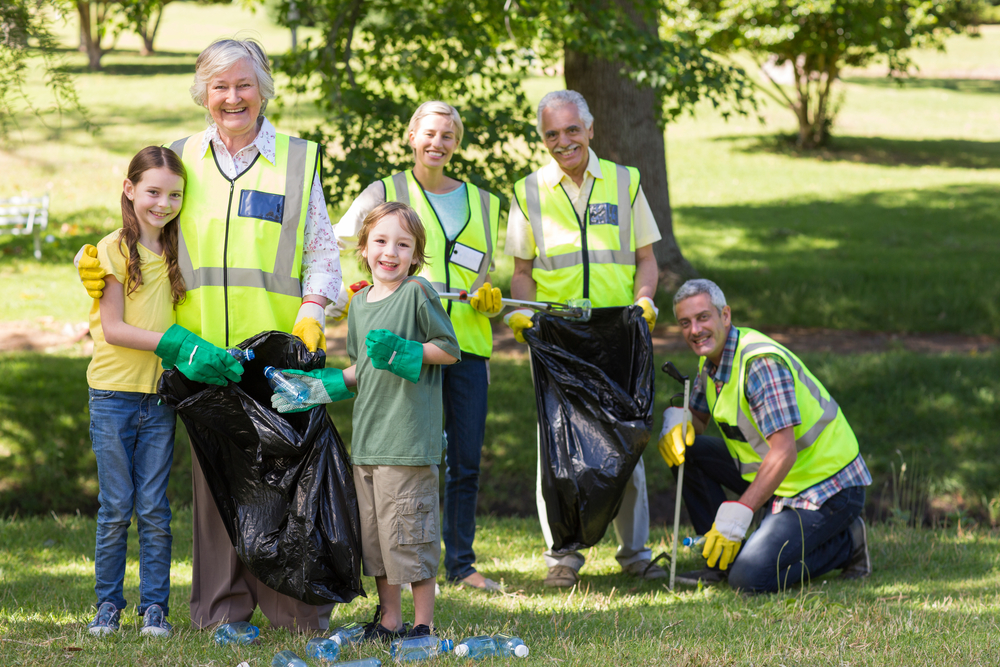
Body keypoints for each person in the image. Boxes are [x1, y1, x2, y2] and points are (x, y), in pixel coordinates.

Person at [76, 38, 341, 631]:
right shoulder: (179, 155)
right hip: (199, 357)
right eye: (219, 86)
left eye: (244, 85)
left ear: (264, 89)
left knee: (284, 482)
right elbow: (138, 229)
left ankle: (294, 611)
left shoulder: (298, 159)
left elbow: (324, 252)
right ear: (202, 92)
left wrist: (314, 311)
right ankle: (222, 611)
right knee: (215, 486)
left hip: (274, 354)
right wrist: (88, 260)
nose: (232, 97)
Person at [334, 101, 503, 591]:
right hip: (400, 351)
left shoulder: (486, 203)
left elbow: (497, 274)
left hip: (464, 344)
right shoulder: (384, 192)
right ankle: (398, 560)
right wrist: (355, 293)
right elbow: (343, 242)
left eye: (448, 135)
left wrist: (493, 302)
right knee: (409, 458)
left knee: (464, 459)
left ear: (457, 142)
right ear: (411, 136)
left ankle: (462, 563)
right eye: (429, 132)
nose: (438, 142)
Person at [271, 202, 460, 640]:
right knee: (376, 542)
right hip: (370, 444)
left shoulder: (418, 293)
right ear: (364, 247)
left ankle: (423, 624)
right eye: (380, 241)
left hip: (410, 442)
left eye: (402, 244)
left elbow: (449, 349)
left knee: (411, 537)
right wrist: (320, 387)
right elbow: (362, 369)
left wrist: (405, 352)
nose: (389, 252)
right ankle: (390, 619)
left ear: (416, 255)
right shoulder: (358, 303)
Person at [503, 90, 665, 587]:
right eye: (552, 134)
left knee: (627, 437)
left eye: (572, 130)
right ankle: (564, 556)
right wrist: (524, 317)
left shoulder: (625, 181)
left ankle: (635, 553)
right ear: (542, 138)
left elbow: (646, 259)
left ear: (591, 129)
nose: (563, 141)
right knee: (556, 443)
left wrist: (644, 302)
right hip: (557, 334)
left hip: (619, 331)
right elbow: (522, 271)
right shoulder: (527, 190)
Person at [86, 146, 244, 637]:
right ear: (130, 189)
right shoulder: (112, 251)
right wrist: (177, 344)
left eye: (174, 194)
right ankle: (108, 604)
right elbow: (113, 328)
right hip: (112, 395)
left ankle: (155, 606)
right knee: (116, 508)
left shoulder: (178, 249)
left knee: (154, 508)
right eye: (152, 191)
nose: (163, 203)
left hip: (158, 398)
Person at [660, 279, 872, 593]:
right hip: (780, 478)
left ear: (725, 316)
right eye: (685, 323)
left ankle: (848, 543)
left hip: (823, 487)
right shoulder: (713, 360)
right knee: (688, 451)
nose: (695, 330)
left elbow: (784, 452)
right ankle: (720, 560)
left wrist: (739, 514)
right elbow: (699, 422)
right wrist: (678, 422)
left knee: (750, 580)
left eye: (703, 317)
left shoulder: (759, 365)